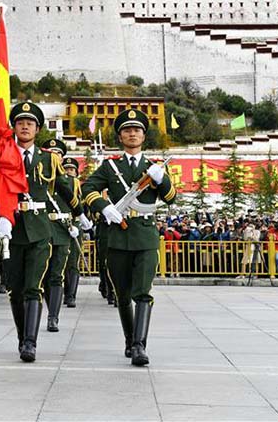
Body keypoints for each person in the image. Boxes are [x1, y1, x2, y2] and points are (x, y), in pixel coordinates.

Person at [82, 108, 177, 367]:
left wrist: (162, 181)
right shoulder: (110, 166)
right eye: (127, 130)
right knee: (122, 294)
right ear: (120, 136)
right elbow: (87, 189)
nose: (132, 133)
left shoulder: (153, 167)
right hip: (117, 237)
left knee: (143, 293)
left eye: (137, 130)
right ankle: (129, 339)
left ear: (144, 135)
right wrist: (104, 207)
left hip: (145, 236)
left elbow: (171, 198)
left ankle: (139, 346)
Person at [0, 101, 82, 362]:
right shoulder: (3, 154)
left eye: (30, 123)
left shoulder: (49, 158)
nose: (25, 126)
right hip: (13, 228)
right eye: (20, 122)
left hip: (40, 229)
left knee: (34, 287)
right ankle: (23, 336)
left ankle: (30, 343)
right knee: (16, 289)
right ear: (14, 127)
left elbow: (65, 188)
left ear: (38, 129)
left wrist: (81, 214)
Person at [39, 140, 92, 332]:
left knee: (56, 274)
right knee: (42, 275)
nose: (54, 156)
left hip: (63, 229)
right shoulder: (38, 177)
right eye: (51, 152)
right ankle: (49, 306)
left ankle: (53, 317)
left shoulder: (70, 181)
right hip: (41, 228)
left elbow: (75, 204)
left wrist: (78, 220)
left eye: (58, 153)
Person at [61, 156, 91, 309]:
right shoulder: (59, 182)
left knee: (73, 262)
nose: (68, 172)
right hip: (59, 225)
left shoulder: (77, 185)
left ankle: (70, 295)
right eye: (66, 169)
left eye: (72, 170)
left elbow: (83, 207)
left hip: (74, 225)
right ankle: (58, 293)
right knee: (58, 263)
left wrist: (82, 223)